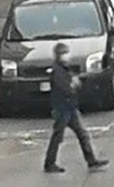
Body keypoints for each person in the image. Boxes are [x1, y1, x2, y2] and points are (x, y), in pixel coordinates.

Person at [43, 42, 109, 174]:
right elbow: (66, 89)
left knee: (81, 134)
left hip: (69, 108)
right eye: (64, 54)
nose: (67, 56)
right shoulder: (58, 71)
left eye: (67, 53)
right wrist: (74, 84)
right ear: (58, 56)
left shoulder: (63, 69)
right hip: (63, 109)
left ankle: (91, 161)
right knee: (58, 136)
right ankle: (49, 163)